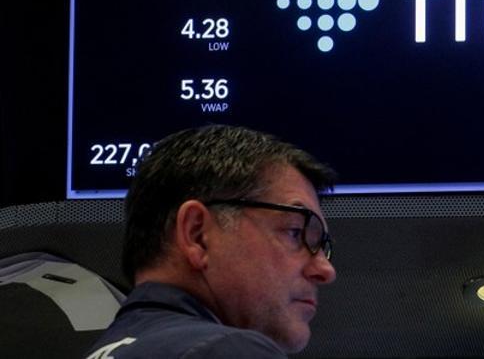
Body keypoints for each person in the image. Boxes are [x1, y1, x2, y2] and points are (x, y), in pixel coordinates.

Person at [85, 124, 338, 358]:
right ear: (197, 234)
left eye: (321, 246)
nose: (325, 270)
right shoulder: (227, 350)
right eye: (295, 232)